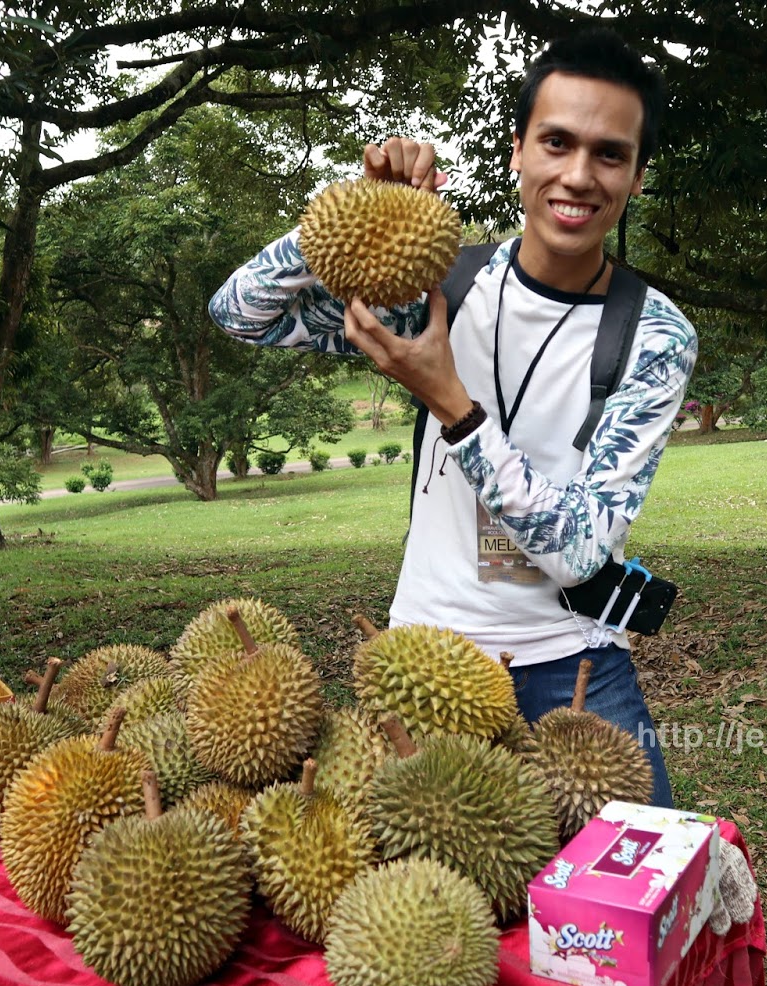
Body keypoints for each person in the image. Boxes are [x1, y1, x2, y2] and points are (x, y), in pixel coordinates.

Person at [209, 28, 695, 807]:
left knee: (647, 876)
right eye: (557, 142)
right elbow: (240, 311)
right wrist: (356, 207)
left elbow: (582, 553)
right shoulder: (440, 285)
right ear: (517, 151)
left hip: (570, 664)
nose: (578, 175)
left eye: (610, 155)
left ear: (637, 176)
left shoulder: (652, 335)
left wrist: (455, 408)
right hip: (423, 660)